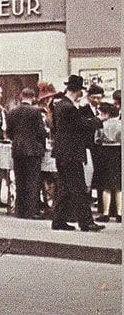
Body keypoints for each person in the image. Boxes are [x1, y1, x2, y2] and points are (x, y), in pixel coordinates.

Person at [50, 75, 104, 232]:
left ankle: (58, 221)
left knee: (64, 187)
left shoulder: (61, 105)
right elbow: (81, 126)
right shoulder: (69, 107)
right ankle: (86, 222)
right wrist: (99, 119)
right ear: (78, 90)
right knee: (79, 188)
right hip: (71, 153)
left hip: (62, 152)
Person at [6, 87, 48, 219]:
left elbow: (9, 132)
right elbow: (41, 132)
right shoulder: (35, 112)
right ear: (33, 97)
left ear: (21, 96)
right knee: (32, 181)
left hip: (18, 149)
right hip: (33, 149)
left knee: (20, 180)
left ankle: (20, 210)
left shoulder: (12, 112)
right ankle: (31, 210)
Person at [80, 84, 105, 212]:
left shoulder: (103, 109)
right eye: (94, 98)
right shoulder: (83, 110)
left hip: (99, 148)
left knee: (101, 176)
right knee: (88, 176)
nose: (96, 101)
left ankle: (102, 206)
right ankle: (87, 205)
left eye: (99, 98)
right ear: (89, 97)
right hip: (88, 146)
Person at [94, 102, 121, 222]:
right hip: (118, 152)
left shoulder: (102, 125)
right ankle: (119, 213)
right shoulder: (121, 124)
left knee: (106, 186)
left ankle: (105, 213)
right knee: (119, 186)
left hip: (105, 153)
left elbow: (97, 140)